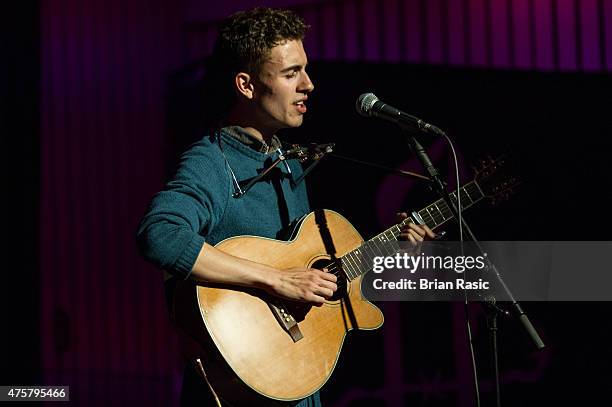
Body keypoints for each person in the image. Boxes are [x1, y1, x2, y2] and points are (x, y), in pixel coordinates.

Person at [136, 7, 434, 406]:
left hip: (294, 379)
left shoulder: (287, 163)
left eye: (306, 71)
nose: (308, 85)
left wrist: (395, 250)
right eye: (291, 73)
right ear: (246, 85)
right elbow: (161, 235)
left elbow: (315, 276)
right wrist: (276, 280)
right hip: (240, 389)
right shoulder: (212, 161)